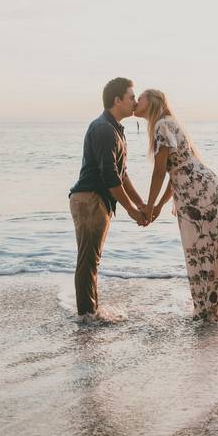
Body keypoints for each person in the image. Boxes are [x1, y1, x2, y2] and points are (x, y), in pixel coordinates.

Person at [134, 89, 218, 321]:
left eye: (139, 98)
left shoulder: (162, 125)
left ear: (152, 102)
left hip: (200, 196)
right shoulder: (167, 123)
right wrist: (159, 205)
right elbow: (177, 172)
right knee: (206, 250)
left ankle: (206, 311)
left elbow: (161, 171)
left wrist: (150, 206)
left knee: (200, 250)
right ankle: (210, 309)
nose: (135, 102)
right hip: (203, 192)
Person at [68, 77, 147, 317]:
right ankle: (87, 317)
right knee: (88, 261)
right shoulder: (104, 129)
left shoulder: (114, 129)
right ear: (117, 100)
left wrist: (141, 203)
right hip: (90, 200)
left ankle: (89, 312)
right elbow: (110, 177)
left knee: (91, 260)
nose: (135, 101)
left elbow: (122, 174)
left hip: (95, 201)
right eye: (132, 97)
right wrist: (133, 211)